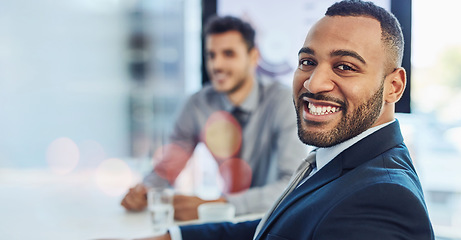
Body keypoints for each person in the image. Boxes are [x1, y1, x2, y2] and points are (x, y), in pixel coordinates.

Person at [120, 0, 435, 239]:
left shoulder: (382, 200)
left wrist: (204, 206)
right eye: (308, 62)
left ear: (393, 86)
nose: (313, 83)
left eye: (345, 66)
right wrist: (176, 235)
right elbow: (286, 224)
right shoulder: (342, 157)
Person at [121, 16, 307, 221]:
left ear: (253, 57)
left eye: (228, 54)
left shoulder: (283, 101)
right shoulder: (198, 104)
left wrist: (218, 205)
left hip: (277, 219)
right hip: (226, 221)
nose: (216, 64)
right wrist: (144, 191)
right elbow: (168, 167)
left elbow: (293, 185)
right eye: (211, 55)